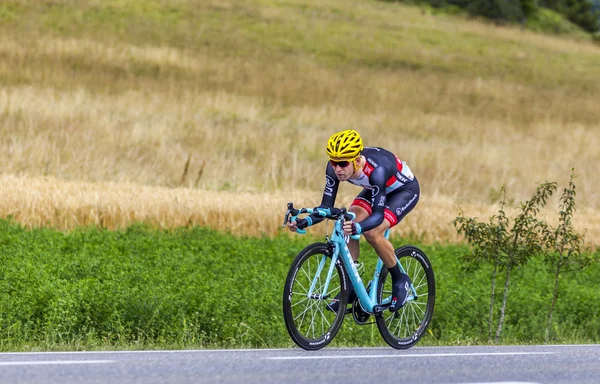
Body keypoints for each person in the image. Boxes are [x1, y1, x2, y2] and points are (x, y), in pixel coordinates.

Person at [288, 129, 420, 312]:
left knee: (372, 232)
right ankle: (351, 284)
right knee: (347, 220)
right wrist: (305, 222)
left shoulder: (376, 170)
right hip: (375, 188)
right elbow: (326, 207)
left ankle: (400, 280)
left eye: (342, 163)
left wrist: (359, 227)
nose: (337, 169)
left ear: (357, 161)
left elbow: (378, 216)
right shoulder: (334, 168)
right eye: (334, 162)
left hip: (403, 191)